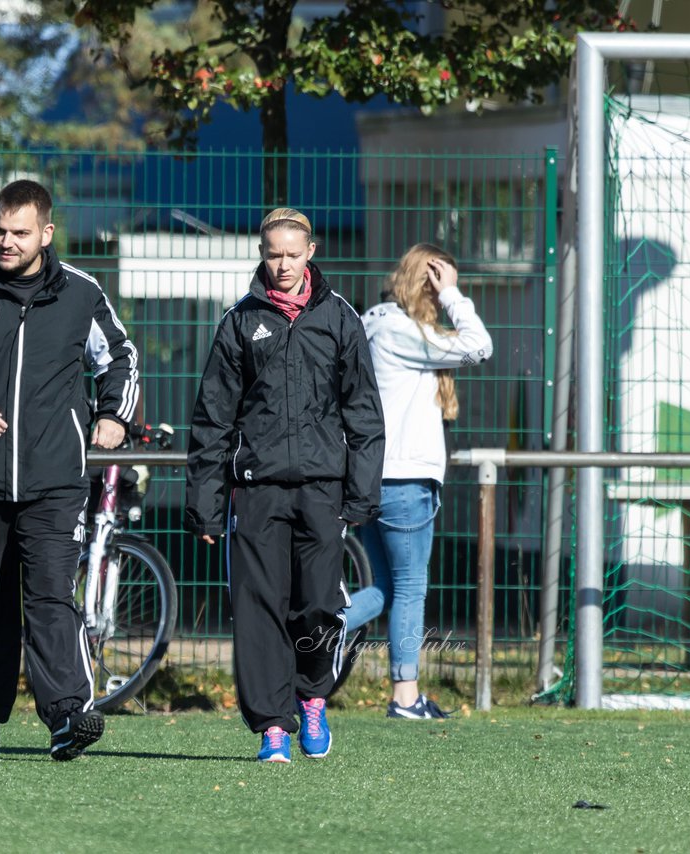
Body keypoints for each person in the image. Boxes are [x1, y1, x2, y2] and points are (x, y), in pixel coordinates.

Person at [0, 179, 139, 761]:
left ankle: (69, 716)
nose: (6, 242)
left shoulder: (82, 294)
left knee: (50, 598)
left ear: (46, 233)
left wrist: (114, 414)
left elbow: (121, 358)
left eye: (19, 232)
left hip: (56, 480)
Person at [185, 208, 384, 763]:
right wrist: (205, 503)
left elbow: (364, 414)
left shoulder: (341, 319)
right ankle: (273, 726)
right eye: (273, 254)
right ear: (262, 253)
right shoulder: (240, 322)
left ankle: (313, 696)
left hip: (323, 489)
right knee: (257, 608)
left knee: (318, 605)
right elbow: (212, 419)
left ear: (311, 253)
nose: (283, 265)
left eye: (293, 254)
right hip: (256, 491)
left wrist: (361, 495)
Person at [343, 243, 493, 719]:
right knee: (410, 587)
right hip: (403, 480)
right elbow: (479, 346)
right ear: (428, 283)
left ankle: (298, 638)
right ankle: (405, 697)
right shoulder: (398, 331)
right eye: (441, 282)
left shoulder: (376, 325)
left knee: (386, 588)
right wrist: (454, 296)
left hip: (373, 477)